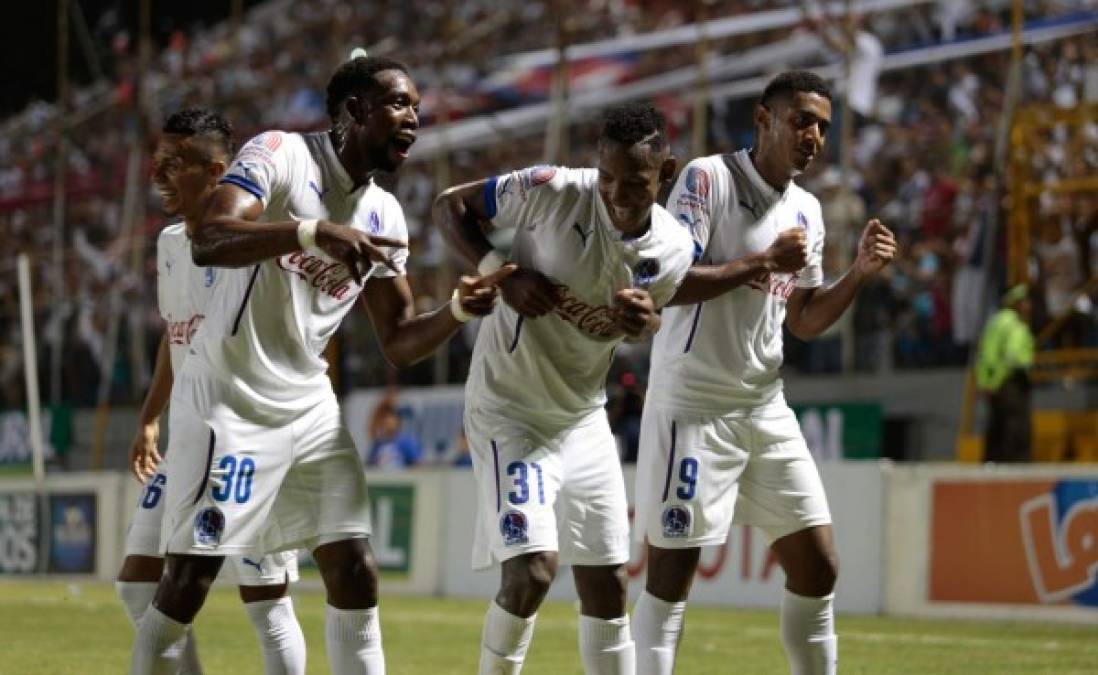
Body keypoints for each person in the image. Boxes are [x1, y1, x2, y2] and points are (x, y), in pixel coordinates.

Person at [130, 55, 512, 675]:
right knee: (188, 582)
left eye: (416, 105)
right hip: (230, 401)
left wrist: (460, 311)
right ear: (354, 112)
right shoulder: (281, 153)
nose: (413, 116)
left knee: (356, 571)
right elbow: (210, 237)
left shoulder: (384, 213)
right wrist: (312, 233)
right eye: (398, 104)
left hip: (308, 405)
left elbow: (398, 339)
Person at [631, 71, 897, 675]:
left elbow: (801, 319)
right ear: (764, 119)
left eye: (824, 126)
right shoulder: (707, 179)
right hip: (692, 403)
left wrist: (856, 274)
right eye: (802, 119)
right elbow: (664, 283)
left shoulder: (808, 208)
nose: (814, 136)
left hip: (763, 406)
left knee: (818, 564)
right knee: (670, 578)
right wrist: (761, 259)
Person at [434, 102, 695, 675]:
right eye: (607, 178)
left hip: (582, 418)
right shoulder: (552, 190)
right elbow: (449, 203)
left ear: (666, 173)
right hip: (509, 408)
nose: (617, 194)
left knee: (607, 585)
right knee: (532, 572)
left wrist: (642, 326)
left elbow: (651, 320)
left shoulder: (673, 249)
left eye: (636, 182)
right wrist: (501, 273)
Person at [118, 108, 306, 675]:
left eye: (174, 164)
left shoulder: (261, 242)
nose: (159, 176)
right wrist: (151, 418)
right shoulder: (172, 243)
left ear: (217, 169)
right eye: (158, 163)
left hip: (253, 438)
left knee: (266, 604)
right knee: (139, 585)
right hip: (187, 440)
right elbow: (176, 334)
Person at [975, 283, 1035, 462]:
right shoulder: (1014, 324)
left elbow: (986, 354)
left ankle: (992, 463)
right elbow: (1013, 356)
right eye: (1024, 301)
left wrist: (988, 383)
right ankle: (1015, 466)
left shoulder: (995, 321)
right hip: (1011, 381)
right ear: (1016, 303)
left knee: (997, 425)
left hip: (994, 382)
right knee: (1017, 425)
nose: (1028, 305)